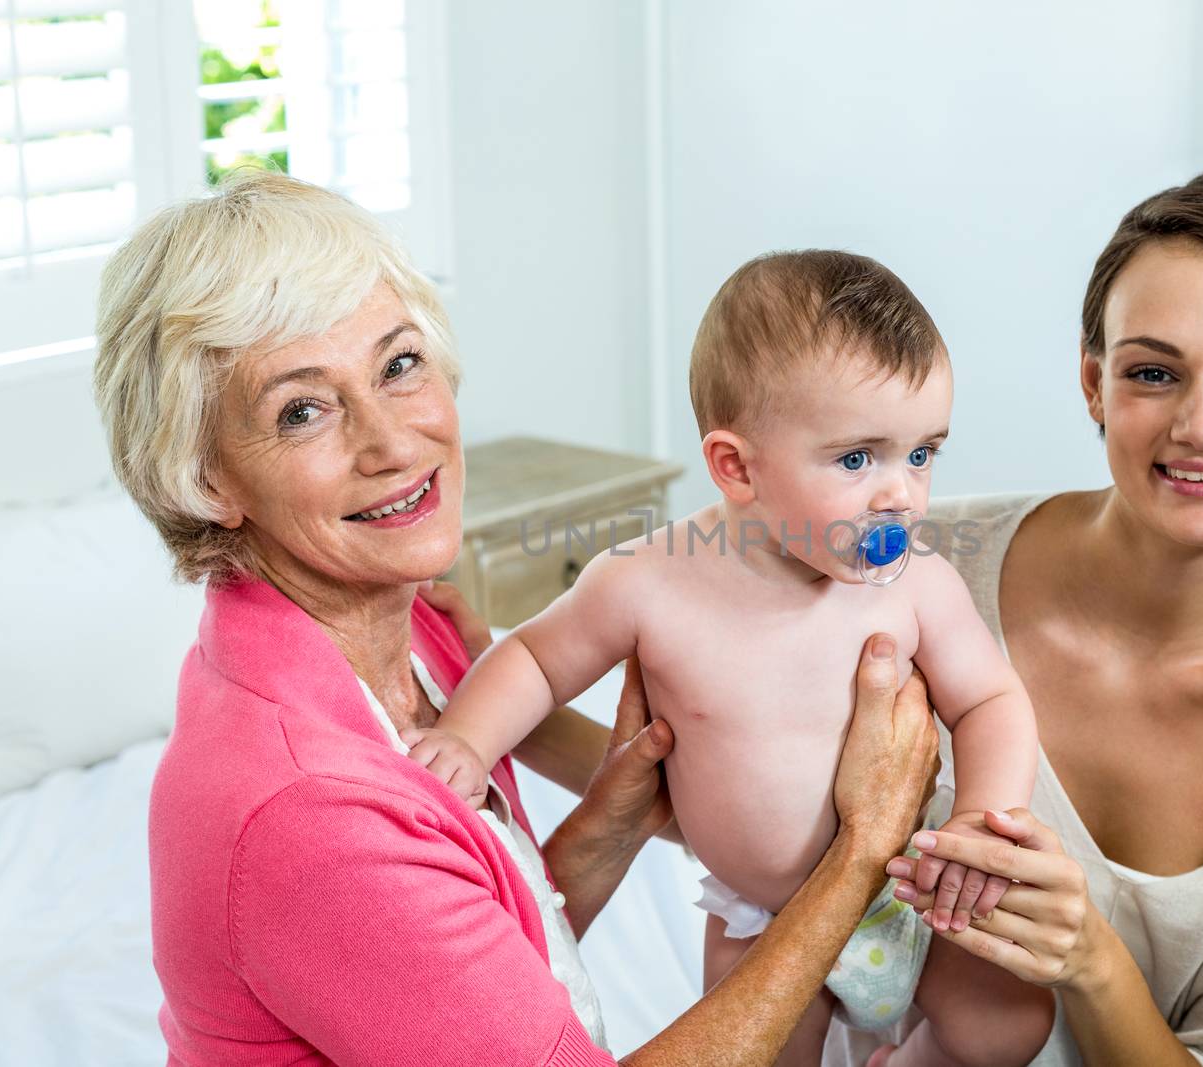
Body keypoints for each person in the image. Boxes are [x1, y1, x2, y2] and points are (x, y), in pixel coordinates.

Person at [93, 170, 940, 1066]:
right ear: (208, 477)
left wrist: (611, 822)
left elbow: (460, 968)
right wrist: (858, 856)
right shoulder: (308, 813)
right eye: (302, 411)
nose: (392, 443)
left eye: (399, 364)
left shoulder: (418, 632)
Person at [835, 171, 1203, 1066]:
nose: (1202, 424)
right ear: (1095, 384)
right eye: (1153, 372)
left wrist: (1089, 958)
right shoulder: (921, 562)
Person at [403, 251, 1054, 1065]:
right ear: (736, 466)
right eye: (858, 459)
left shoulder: (915, 582)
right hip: (762, 920)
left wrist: (978, 824)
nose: (902, 495)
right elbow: (535, 657)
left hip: (907, 899)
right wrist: (467, 737)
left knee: (1011, 1021)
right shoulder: (648, 583)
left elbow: (991, 700)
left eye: (922, 454)